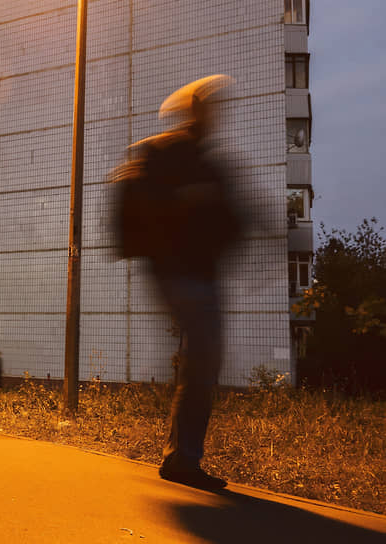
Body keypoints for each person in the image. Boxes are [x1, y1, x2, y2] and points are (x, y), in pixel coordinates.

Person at [114, 75, 242, 490]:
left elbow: (232, 218)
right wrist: (185, 202)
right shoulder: (163, 151)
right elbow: (137, 195)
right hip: (175, 270)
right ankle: (181, 459)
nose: (214, 114)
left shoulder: (212, 162)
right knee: (203, 351)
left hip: (200, 272)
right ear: (193, 109)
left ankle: (181, 455)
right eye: (208, 106)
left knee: (203, 358)